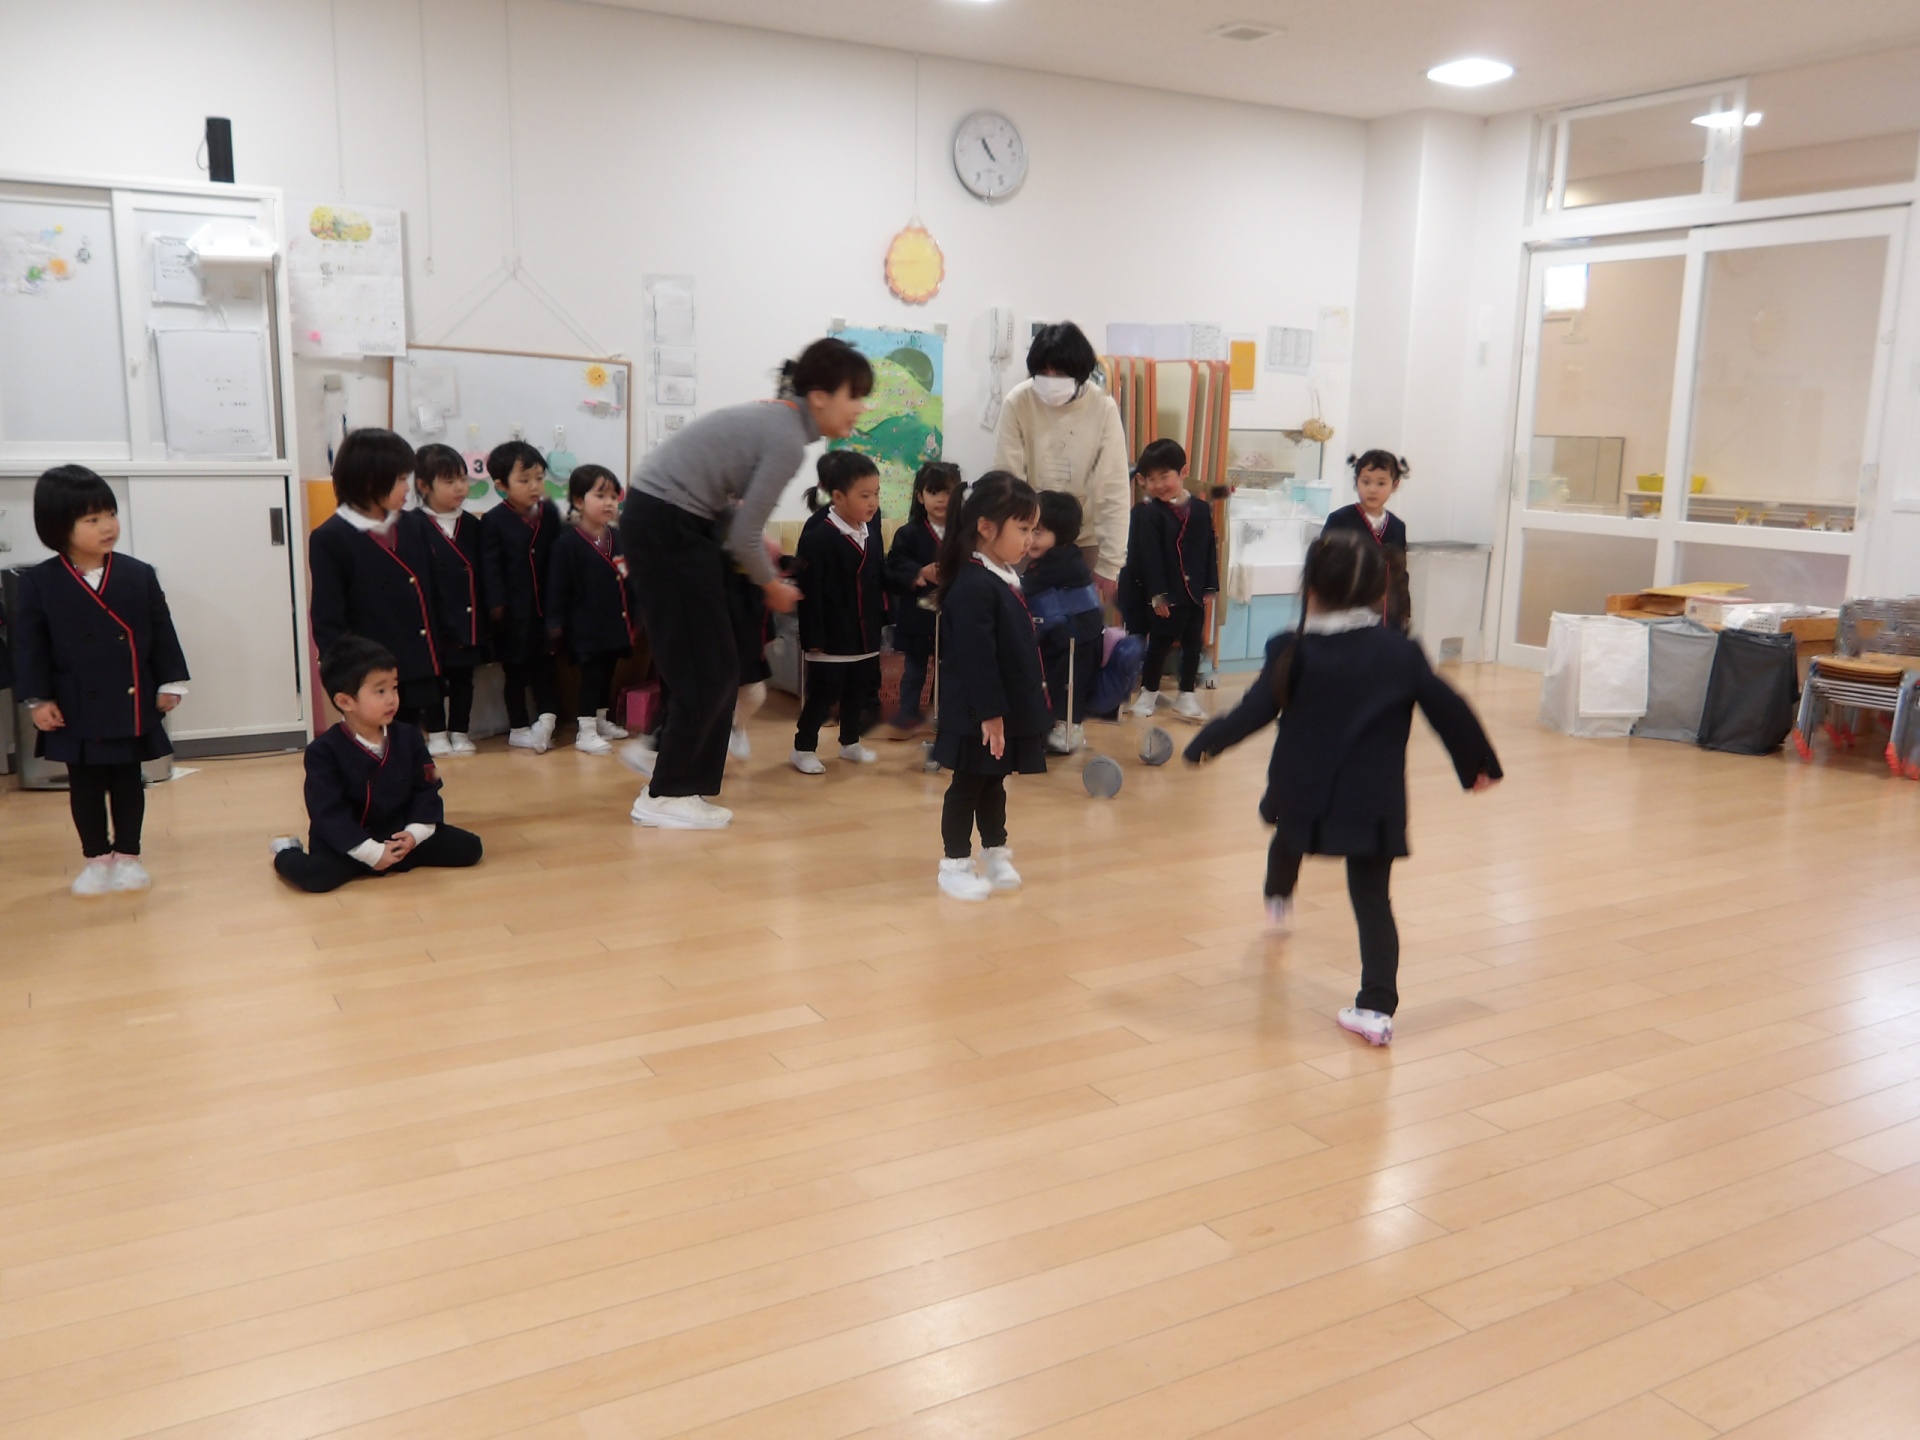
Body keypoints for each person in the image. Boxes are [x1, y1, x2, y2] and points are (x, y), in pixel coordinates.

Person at [1183, 530, 1501, 1047]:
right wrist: (1478, 765)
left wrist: (1206, 743)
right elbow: (1449, 707)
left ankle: (1278, 894)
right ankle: (1375, 1009)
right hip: (1372, 798)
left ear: (1309, 590)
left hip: (1302, 788)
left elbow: (1254, 710)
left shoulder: (1291, 649)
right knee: (1373, 901)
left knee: (1288, 839)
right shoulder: (1399, 652)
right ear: (1379, 592)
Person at [619, 337, 871, 829]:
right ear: (820, 396)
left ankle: (675, 779)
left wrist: (763, 565)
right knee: (708, 669)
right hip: (667, 524)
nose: (861, 408)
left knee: (717, 666)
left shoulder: (781, 424)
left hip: (675, 521)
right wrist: (772, 585)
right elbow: (744, 536)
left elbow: (737, 524)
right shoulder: (786, 439)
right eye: (855, 395)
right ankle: (665, 793)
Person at [13, 465, 190, 896]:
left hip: (129, 699)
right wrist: (38, 699)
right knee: (86, 785)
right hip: (75, 702)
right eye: (92, 519)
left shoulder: (138, 573)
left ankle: (129, 855)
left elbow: (161, 631)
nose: (108, 526)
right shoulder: (39, 582)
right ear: (59, 526)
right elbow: (29, 646)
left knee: (129, 781)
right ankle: (96, 858)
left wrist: (170, 682)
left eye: (110, 514)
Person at [270, 636, 484, 893]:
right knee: (318, 877)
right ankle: (286, 851)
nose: (392, 699)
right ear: (345, 701)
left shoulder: (409, 736)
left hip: (399, 836)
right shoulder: (323, 751)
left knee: (470, 848)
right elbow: (328, 813)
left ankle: (399, 851)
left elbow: (427, 787)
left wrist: (414, 834)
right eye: (380, 691)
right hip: (350, 842)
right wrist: (371, 853)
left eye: (394, 687)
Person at [932, 471, 1048, 902]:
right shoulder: (973, 583)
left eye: (1033, 530)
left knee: (993, 783)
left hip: (999, 708)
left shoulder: (1001, 576)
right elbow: (975, 658)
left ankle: (995, 851)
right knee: (967, 786)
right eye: (1023, 528)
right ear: (985, 527)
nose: (1030, 540)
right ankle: (954, 864)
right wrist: (990, 713)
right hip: (976, 712)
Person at [307, 428, 443, 734]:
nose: (408, 488)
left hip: (415, 662)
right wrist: (345, 675)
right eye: (400, 479)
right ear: (370, 481)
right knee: (376, 745)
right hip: (369, 671)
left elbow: (432, 592)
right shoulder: (331, 537)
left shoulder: (414, 525)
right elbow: (328, 618)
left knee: (409, 741)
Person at [991, 321, 1131, 597]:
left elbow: (1113, 490)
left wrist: (1110, 564)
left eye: (1061, 374)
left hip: (1083, 541)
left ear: (1080, 374)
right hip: (1027, 537)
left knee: (1080, 619)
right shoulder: (1018, 401)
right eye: (1044, 373)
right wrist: (1014, 539)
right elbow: (1007, 480)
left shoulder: (1102, 408)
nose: (1051, 381)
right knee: (1021, 616)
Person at [791, 450, 885, 775]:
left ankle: (850, 742)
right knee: (824, 693)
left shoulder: (871, 529)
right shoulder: (819, 535)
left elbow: (879, 574)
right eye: (864, 496)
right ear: (839, 496)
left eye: (876, 494)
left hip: (864, 631)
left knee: (858, 689)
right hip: (832, 633)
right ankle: (803, 747)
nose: (873, 503)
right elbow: (810, 592)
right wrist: (813, 638)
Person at [1122, 439, 1218, 723]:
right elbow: (1147, 557)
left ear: (1183, 472)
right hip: (1166, 592)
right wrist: (1158, 595)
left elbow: (1208, 548)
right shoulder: (1147, 512)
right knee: (1160, 643)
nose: (1158, 485)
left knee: (1193, 644)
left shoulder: (1200, 508)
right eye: (1151, 479)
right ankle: (1149, 692)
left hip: (1194, 591)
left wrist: (1211, 585)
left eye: (1164, 476)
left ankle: (1186, 695)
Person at [403, 443, 487, 757]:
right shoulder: (411, 525)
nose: (460, 488)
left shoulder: (474, 526)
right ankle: (437, 733)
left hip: (467, 616)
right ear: (424, 486)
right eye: (450, 481)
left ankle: (460, 731)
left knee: (463, 678)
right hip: (432, 619)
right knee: (433, 678)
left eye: (463, 479)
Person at [546, 464, 636, 755]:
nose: (609, 503)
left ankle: (600, 718)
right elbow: (557, 586)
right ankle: (585, 730)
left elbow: (629, 579)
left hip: (615, 621)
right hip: (586, 624)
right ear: (578, 501)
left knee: (609, 671)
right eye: (600, 496)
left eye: (613, 496)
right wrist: (555, 623)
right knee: (592, 675)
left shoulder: (618, 538)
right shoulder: (567, 542)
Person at [480, 440, 562, 752]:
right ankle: (518, 727)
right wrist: (497, 609)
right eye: (524, 480)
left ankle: (546, 722)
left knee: (545, 670)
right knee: (515, 672)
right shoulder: (494, 520)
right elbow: (491, 569)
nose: (534, 486)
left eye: (539, 478)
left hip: (545, 610)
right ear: (502, 486)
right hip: (512, 615)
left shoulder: (549, 514)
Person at [1023, 490, 1103, 754]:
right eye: (1027, 529)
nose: (1030, 538)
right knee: (1055, 679)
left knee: (1069, 683)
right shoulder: (1055, 557)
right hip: (1063, 632)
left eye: (1038, 532)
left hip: (1078, 637)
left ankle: (1070, 729)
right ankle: (1055, 725)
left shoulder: (1060, 561)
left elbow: (1025, 589)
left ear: (1061, 535)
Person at [883, 460, 959, 733]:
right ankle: (908, 714)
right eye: (933, 492)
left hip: (954, 615)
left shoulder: (965, 533)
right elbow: (894, 567)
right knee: (915, 668)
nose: (941, 499)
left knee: (949, 669)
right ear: (920, 497)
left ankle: (945, 715)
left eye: (948, 492)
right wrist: (920, 572)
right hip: (918, 614)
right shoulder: (909, 533)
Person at [1322, 449, 1413, 633]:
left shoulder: (1397, 526)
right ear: (1356, 482)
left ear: (1395, 485)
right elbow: (1323, 566)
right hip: (1346, 608)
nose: (1372, 489)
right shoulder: (1340, 520)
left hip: (1385, 612)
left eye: (1381, 483)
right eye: (1366, 482)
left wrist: (1404, 610)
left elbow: (1400, 573)